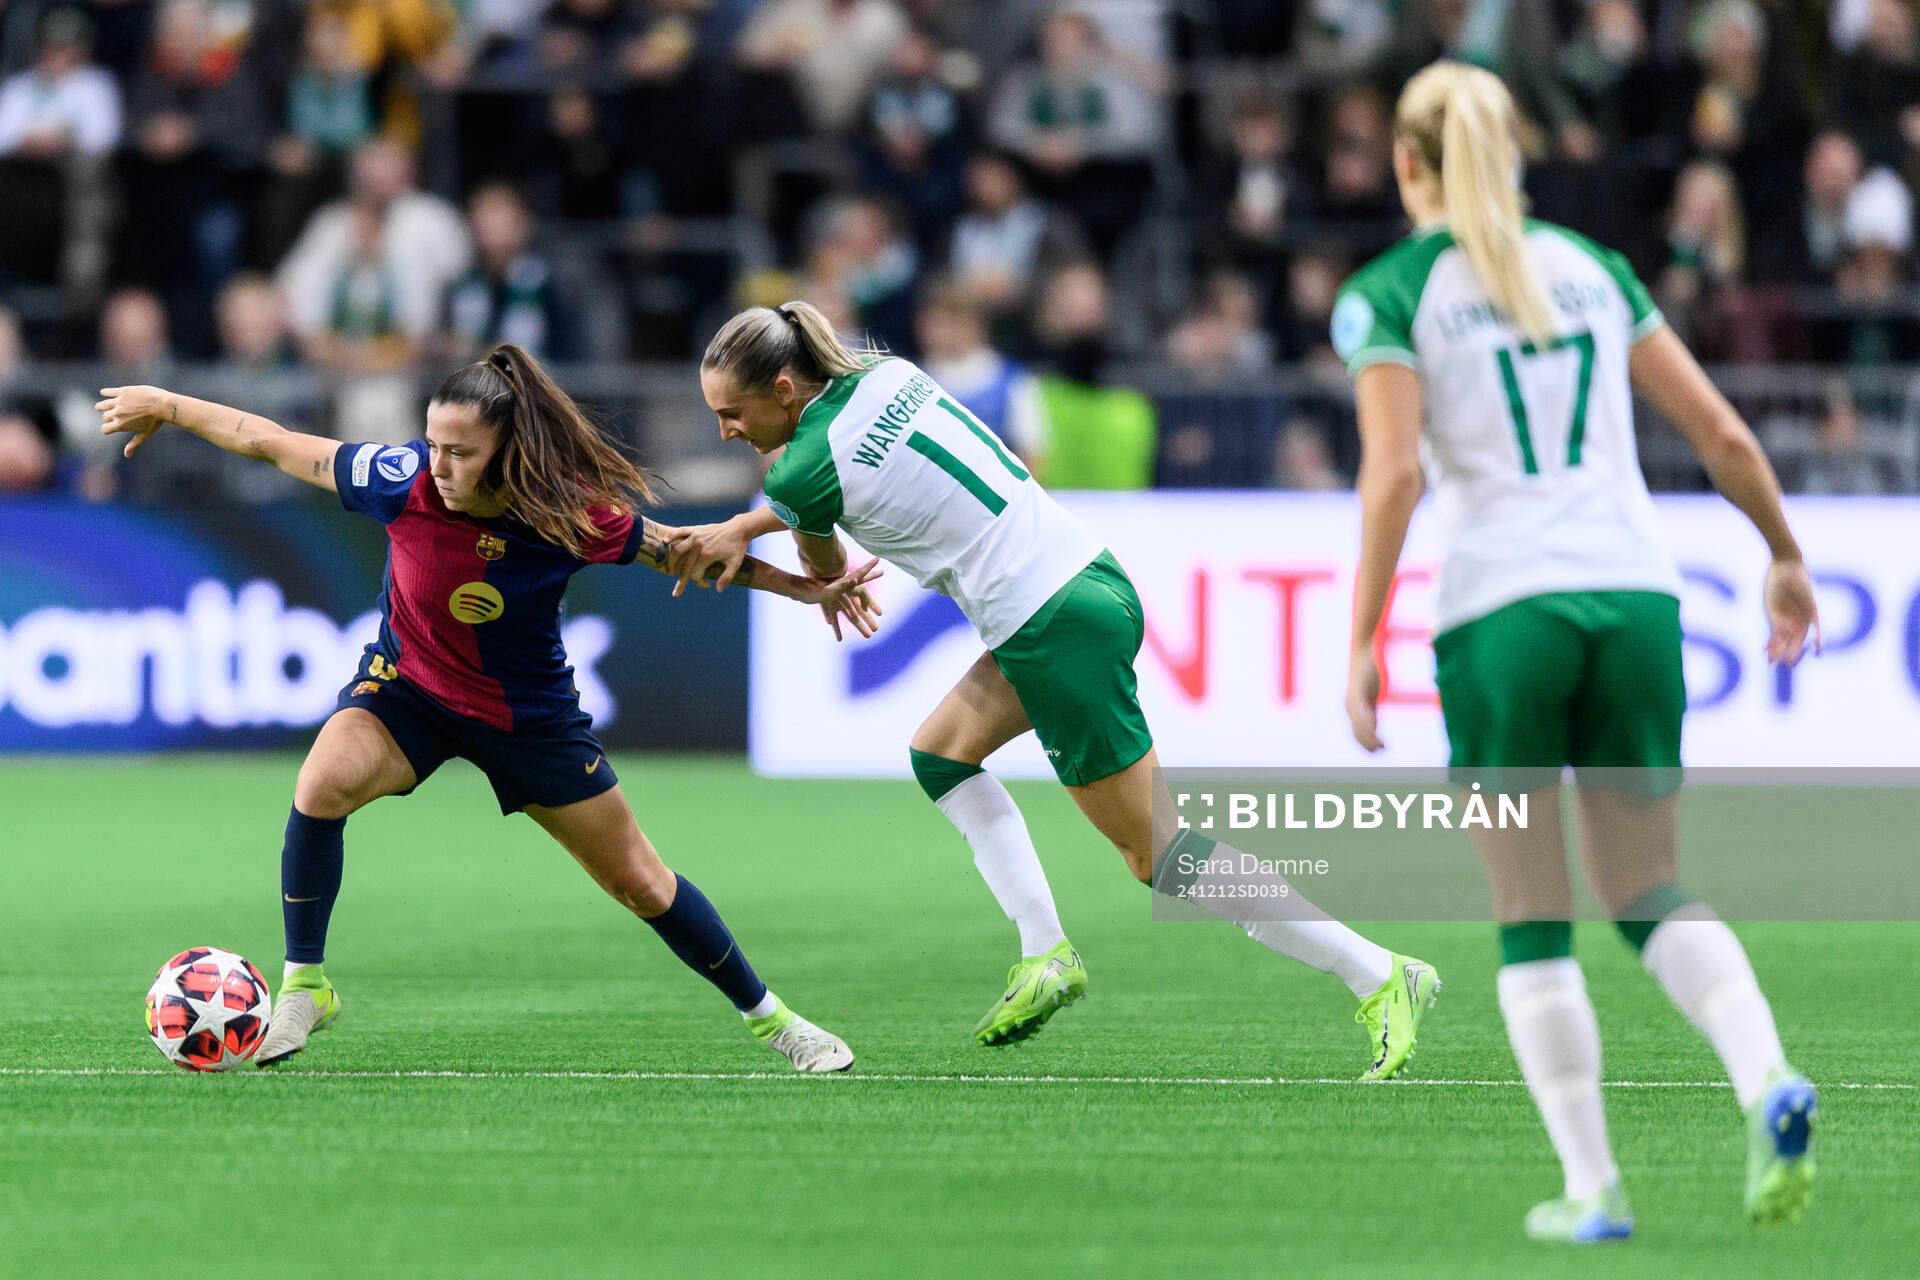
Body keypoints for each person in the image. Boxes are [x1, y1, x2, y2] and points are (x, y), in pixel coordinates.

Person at [668, 301, 1440, 1077]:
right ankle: (1044, 953)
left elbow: (826, 560)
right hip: (1087, 578)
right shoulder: (884, 372)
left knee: (1162, 857)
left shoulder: (799, 468)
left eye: (733, 414)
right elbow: (831, 501)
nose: (726, 431)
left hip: (1047, 625)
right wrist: (762, 529)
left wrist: (745, 531)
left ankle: (1377, 974)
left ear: (783, 388)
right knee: (941, 753)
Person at [1335, 62, 1820, 1241]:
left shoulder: (1389, 290)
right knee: (1647, 884)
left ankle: (1595, 1188)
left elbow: (1395, 471)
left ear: (1409, 163)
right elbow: (1721, 428)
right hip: (1639, 599)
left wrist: (1362, 632)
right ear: (1513, 154)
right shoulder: (1596, 271)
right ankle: (1766, 1077)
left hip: (1505, 612)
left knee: (1531, 910)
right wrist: (1785, 554)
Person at [97, 344, 879, 1073]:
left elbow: (682, 551)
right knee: (321, 783)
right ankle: (307, 985)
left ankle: (774, 1020)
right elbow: (267, 439)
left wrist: (806, 588)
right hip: (409, 691)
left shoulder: (566, 514)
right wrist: (166, 403)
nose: (438, 466)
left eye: (460, 452)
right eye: (433, 444)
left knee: (640, 882)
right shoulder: (396, 477)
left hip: (527, 719)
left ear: (506, 450)